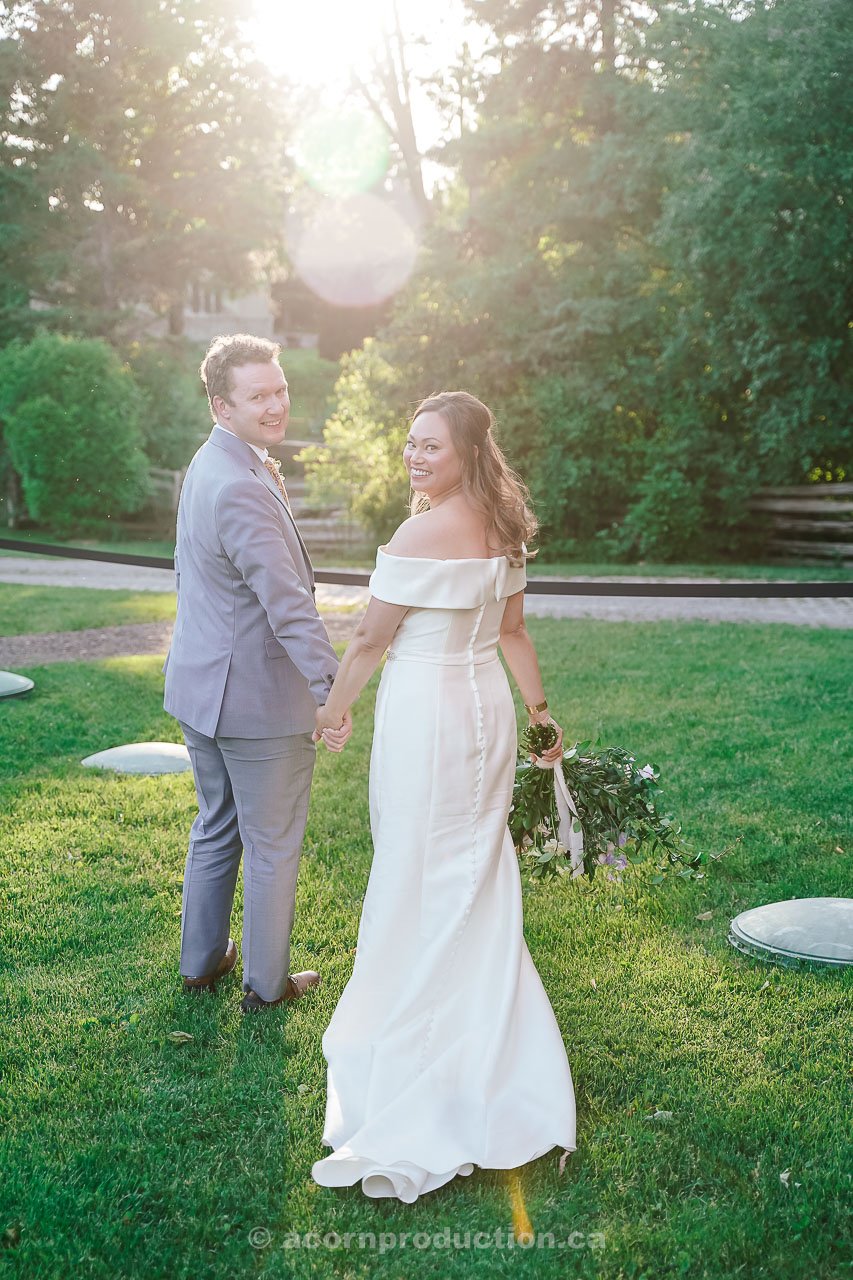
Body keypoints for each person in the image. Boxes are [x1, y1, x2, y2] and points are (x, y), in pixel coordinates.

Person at [310, 391, 576, 1202]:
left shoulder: (418, 532)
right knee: (472, 865)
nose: (414, 456)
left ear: (466, 451)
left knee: (417, 862)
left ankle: (418, 1045)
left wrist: (333, 706)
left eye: (430, 446)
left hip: (427, 711)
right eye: (409, 443)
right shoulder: (504, 528)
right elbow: (511, 633)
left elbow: (369, 636)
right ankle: (490, 1047)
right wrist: (535, 711)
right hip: (485, 709)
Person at [163, 334, 351, 1014]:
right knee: (271, 845)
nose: (276, 405)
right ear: (221, 405)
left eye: (280, 389)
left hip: (200, 688)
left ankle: (200, 963)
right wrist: (333, 691)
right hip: (253, 702)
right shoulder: (239, 484)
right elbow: (287, 606)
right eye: (258, 396)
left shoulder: (210, 462)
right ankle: (266, 988)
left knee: (216, 826)